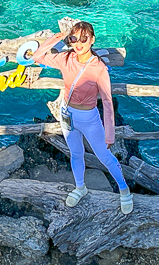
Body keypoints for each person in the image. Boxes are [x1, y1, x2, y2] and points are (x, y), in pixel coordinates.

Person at [32, 21, 133, 214]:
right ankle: (80, 187)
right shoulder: (65, 58)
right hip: (67, 114)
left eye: (84, 38)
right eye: (74, 38)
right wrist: (57, 37)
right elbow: (37, 56)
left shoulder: (98, 68)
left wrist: (110, 134)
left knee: (105, 156)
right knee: (76, 153)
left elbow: (107, 101)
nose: (79, 43)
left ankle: (124, 190)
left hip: (89, 118)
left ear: (92, 40)